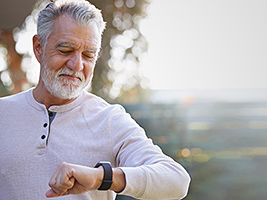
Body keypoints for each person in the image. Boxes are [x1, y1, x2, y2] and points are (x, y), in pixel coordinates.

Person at [0, 0, 191, 199]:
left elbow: (177, 181)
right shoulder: (3, 114)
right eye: (65, 50)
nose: (77, 65)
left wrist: (101, 178)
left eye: (88, 55)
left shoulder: (110, 120)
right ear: (39, 47)